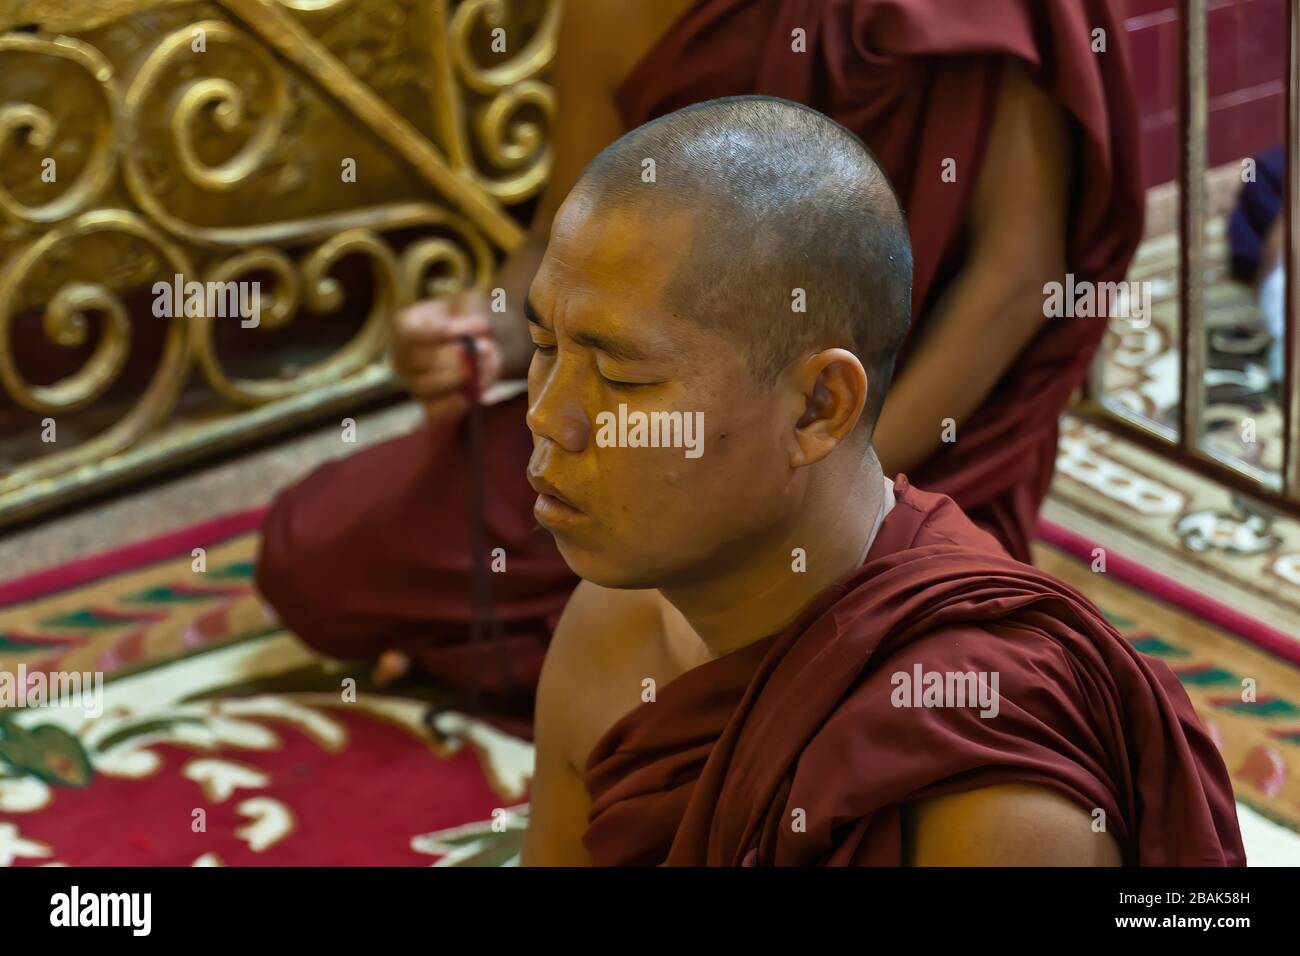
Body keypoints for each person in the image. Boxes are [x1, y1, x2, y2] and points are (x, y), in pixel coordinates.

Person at [256, 0, 1144, 699]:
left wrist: (831, 482)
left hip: (880, 450)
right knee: (318, 554)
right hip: (646, 421)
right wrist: (480, 324)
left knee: (917, 690)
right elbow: (554, 246)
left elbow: (1019, 275)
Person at [518, 95, 1243, 866]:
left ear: (818, 408)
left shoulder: (990, 794)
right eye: (542, 343)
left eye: (622, 378)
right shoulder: (608, 628)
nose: (549, 417)